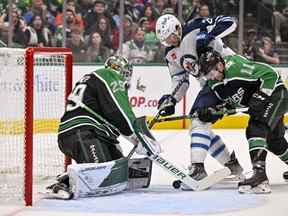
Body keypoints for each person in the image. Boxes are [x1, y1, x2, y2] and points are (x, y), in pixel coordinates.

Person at [45, 56, 161, 199]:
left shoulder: (96, 78)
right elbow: (119, 111)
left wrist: (132, 139)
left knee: (117, 167)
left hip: (87, 133)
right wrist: (137, 137)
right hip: (82, 133)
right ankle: (63, 184)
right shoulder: (109, 76)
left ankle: (71, 177)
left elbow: (111, 116)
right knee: (100, 175)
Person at [155, 14, 243, 185]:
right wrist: (171, 100)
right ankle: (231, 166)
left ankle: (198, 169)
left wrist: (210, 34)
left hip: (231, 73)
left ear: (177, 28)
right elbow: (179, 81)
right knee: (200, 122)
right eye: (165, 41)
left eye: (170, 37)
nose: (170, 42)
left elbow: (231, 22)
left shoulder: (195, 27)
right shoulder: (170, 54)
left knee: (198, 119)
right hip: (214, 86)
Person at [197, 50, 288, 193]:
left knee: (256, 128)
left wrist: (261, 96)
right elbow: (230, 104)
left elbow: (270, 74)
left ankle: (260, 175)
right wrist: (212, 112)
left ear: (220, 65)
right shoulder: (214, 84)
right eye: (207, 74)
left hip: (276, 94)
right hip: (265, 103)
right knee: (275, 142)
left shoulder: (236, 67)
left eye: (212, 71)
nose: (211, 76)